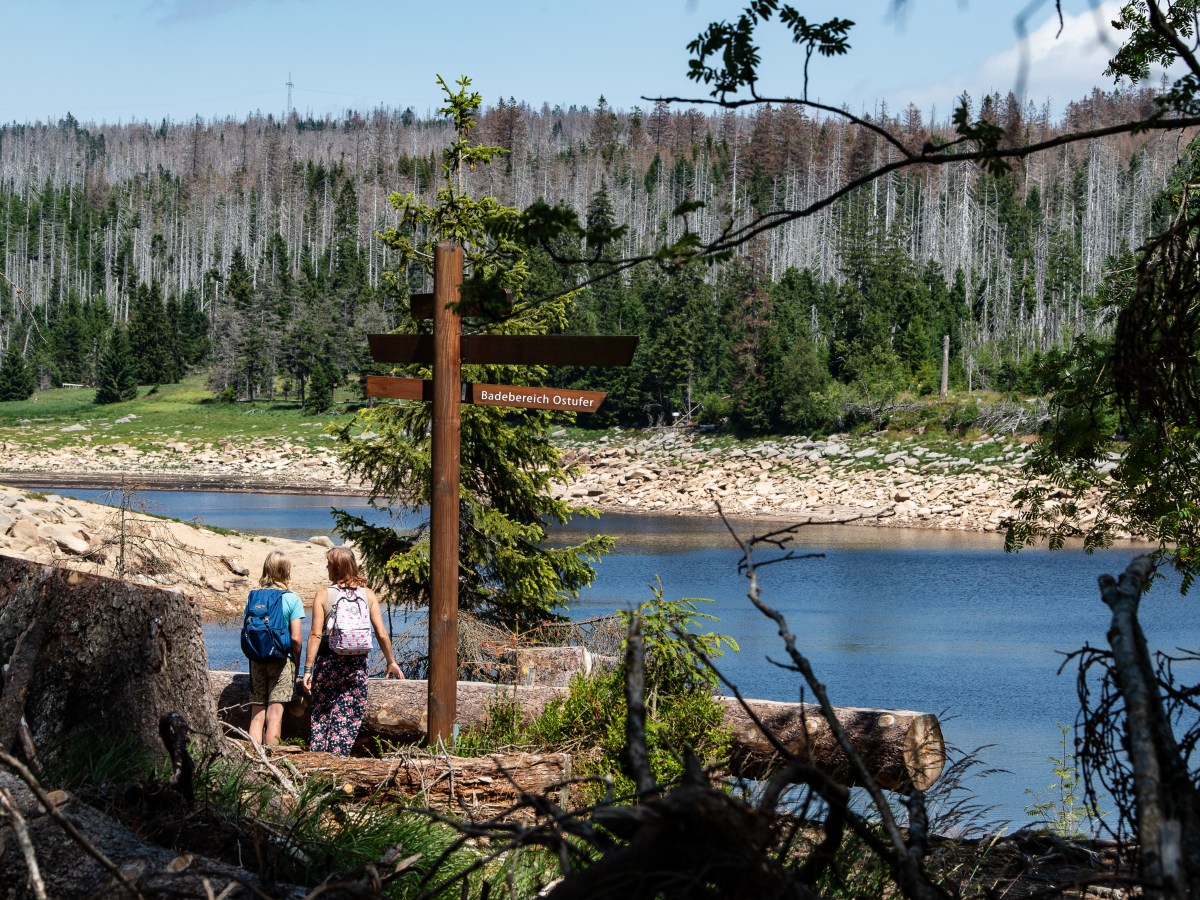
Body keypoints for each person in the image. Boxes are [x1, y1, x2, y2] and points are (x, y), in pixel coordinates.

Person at [301, 546, 403, 754]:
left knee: (322, 715)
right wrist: (390, 661)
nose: (326, 567)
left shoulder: (324, 594)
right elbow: (381, 633)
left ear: (337, 568)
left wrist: (308, 670)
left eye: (329, 564)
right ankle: (338, 762)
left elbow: (315, 635)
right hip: (356, 665)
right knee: (347, 718)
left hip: (328, 663)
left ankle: (318, 764)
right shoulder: (367, 595)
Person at [246, 551, 305, 746]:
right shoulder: (292, 598)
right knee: (274, 716)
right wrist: (297, 661)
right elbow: (296, 638)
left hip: (256, 659)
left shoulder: (253, 597)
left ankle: (252, 762)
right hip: (282, 661)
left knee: (257, 715)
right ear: (285, 571)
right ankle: (272, 762)